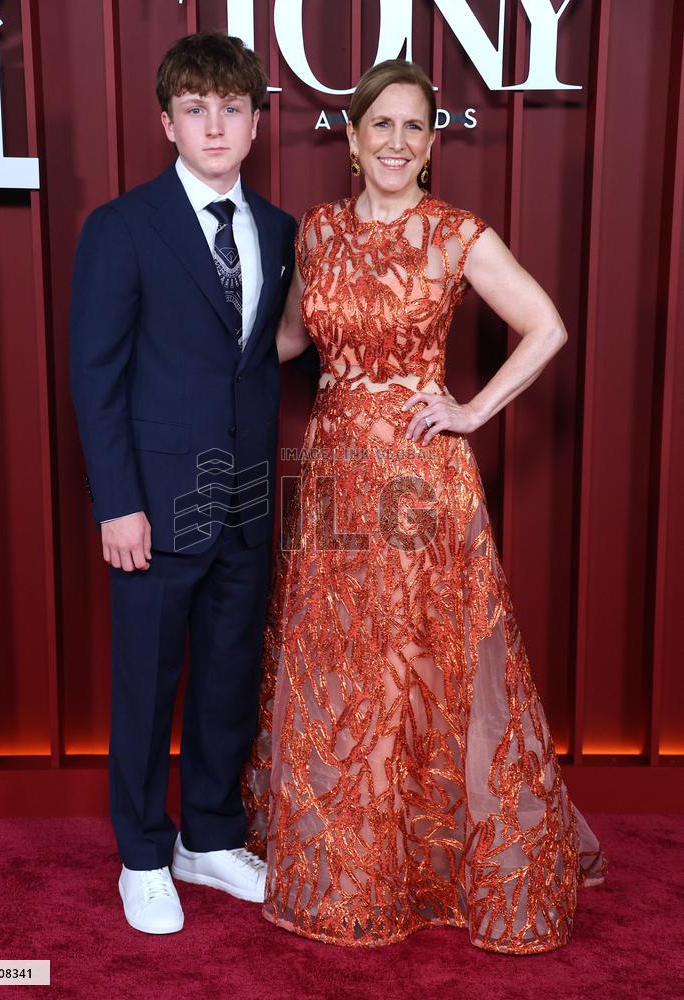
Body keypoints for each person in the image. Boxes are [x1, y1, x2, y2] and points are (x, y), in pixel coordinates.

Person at [243, 59, 607, 954]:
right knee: (341, 664)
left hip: (417, 478)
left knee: (421, 665)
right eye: (381, 126)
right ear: (354, 141)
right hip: (332, 474)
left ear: (431, 144)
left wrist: (471, 410)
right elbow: (289, 337)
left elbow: (547, 325)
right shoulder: (318, 233)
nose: (397, 142)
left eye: (414, 128)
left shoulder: (454, 233)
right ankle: (348, 858)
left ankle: (428, 860)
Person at [69, 31, 296, 935]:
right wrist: (117, 502)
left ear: (254, 123)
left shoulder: (278, 231)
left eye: (231, 109)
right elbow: (97, 374)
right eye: (196, 109)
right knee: (147, 684)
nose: (215, 125)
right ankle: (142, 855)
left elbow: (259, 355)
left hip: (243, 501)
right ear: (168, 122)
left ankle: (209, 837)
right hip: (154, 509)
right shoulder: (123, 227)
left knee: (227, 683)